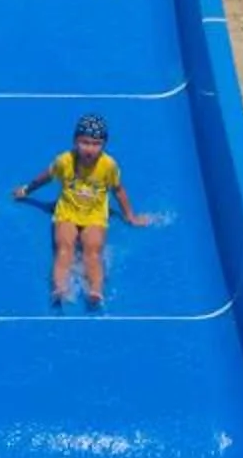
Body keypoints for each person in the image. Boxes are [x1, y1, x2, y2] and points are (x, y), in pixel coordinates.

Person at [13, 114, 151, 311]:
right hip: (68, 212)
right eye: (85, 142)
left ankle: (95, 290)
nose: (90, 149)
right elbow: (46, 177)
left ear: (104, 144)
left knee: (93, 250)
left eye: (96, 144)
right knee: (64, 247)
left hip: (94, 215)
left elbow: (118, 190)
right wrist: (27, 189)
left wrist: (131, 216)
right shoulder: (64, 161)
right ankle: (60, 287)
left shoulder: (108, 165)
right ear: (75, 141)